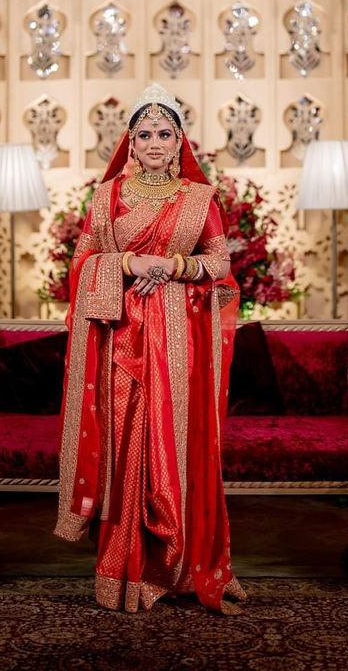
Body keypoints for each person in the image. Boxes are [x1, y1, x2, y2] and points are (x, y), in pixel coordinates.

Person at [54, 82, 246, 615]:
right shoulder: (107, 196)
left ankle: (177, 567)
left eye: (165, 133)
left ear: (180, 140)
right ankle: (121, 570)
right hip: (118, 339)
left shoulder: (198, 199)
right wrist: (129, 264)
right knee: (121, 449)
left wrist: (174, 267)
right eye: (146, 133)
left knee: (171, 447)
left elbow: (221, 262)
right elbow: (84, 262)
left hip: (177, 344)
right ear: (131, 142)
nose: (156, 142)